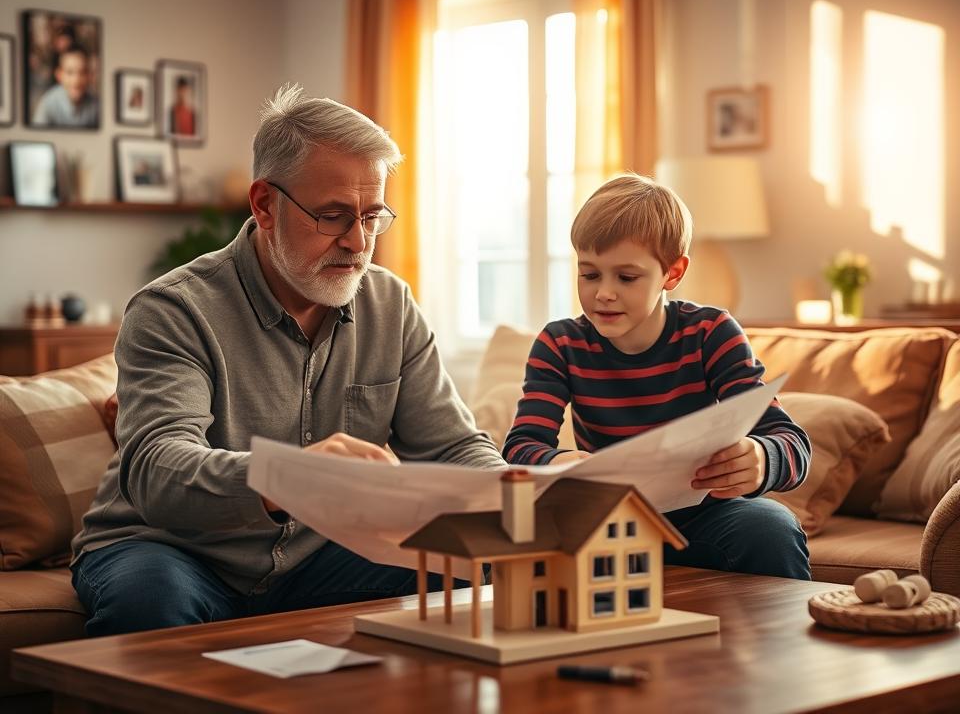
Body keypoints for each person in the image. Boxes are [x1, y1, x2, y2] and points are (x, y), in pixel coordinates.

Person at [71, 84, 506, 637]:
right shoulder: (173, 310)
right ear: (264, 204)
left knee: (466, 568)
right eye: (333, 216)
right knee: (150, 604)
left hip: (316, 556)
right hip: (167, 550)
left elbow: (451, 447)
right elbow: (159, 471)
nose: (358, 242)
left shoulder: (390, 304)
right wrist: (290, 477)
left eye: (372, 216)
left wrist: (524, 499)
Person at [503, 173, 812, 579]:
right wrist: (563, 463)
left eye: (626, 277)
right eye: (590, 274)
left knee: (771, 526)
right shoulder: (560, 343)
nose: (604, 293)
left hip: (702, 516)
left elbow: (792, 444)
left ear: (673, 273)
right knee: (519, 531)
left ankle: (783, 642)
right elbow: (521, 447)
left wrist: (759, 458)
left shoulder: (711, 333)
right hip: (605, 519)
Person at [31, 44, 99, 128]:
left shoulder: (96, 104)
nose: (76, 80)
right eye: (70, 72)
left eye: (83, 72)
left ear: (89, 75)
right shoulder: (48, 104)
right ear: (59, 75)